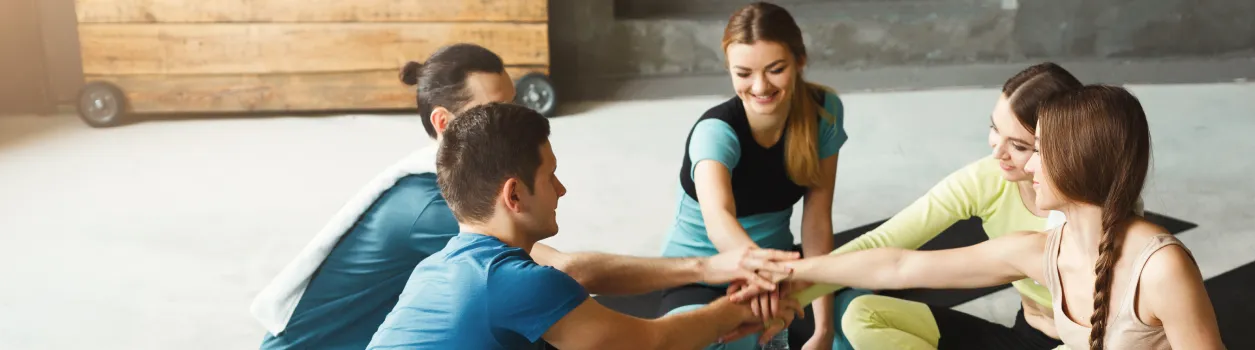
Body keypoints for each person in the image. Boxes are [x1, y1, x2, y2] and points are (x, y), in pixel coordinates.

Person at [252, 43, 794, 350]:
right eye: (496, 108)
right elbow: (603, 306)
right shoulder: (431, 214)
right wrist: (722, 291)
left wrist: (713, 297)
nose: (563, 189)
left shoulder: (452, 246)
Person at [779, 85, 1227, 350]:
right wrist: (787, 276)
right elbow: (898, 264)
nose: (1026, 166)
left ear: (1077, 163)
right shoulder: (1044, 251)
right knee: (864, 313)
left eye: (1038, 152)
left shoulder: (1160, 268)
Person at [367, 102, 802, 349]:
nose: (562, 189)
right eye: (550, 176)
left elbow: (573, 272)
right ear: (514, 195)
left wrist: (708, 269)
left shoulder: (443, 269)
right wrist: (743, 310)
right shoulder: (509, 283)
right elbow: (653, 343)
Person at [786, 62, 1083, 349]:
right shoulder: (989, 178)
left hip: (1083, 343)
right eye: (995, 129)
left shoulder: (1090, 211)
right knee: (863, 314)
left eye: (1018, 145)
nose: (997, 153)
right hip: (1024, 335)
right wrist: (789, 291)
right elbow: (886, 246)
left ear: (1056, 146)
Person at [656, 2, 863, 348]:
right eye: (744, 73)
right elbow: (718, 219)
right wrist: (763, 275)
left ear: (799, 61)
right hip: (703, 273)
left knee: (855, 320)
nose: (760, 86)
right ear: (730, 70)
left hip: (777, 268)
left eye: (775, 69)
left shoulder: (824, 113)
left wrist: (822, 328)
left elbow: (816, 219)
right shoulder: (715, 132)